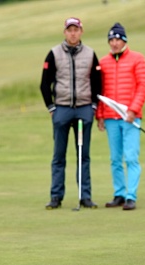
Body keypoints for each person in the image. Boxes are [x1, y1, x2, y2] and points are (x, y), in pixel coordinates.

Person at [40, 17, 102, 210]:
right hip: (62, 110)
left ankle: (85, 196)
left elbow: (97, 83)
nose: (73, 33)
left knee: (83, 155)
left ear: (81, 31)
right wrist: (51, 107)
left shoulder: (91, 54)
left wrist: (93, 106)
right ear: (64, 32)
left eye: (76, 30)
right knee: (59, 155)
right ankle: (56, 196)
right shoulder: (53, 54)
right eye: (69, 30)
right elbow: (44, 84)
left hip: (84, 110)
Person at [96, 23, 145, 210]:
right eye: (111, 39)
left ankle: (131, 195)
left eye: (117, 39)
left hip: (130, 117)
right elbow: (100, 91)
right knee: (115, 158)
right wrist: (100, 115)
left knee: (131, 157)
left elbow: (143, 86)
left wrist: (133, 110)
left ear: (124, 40)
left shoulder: (137, 59)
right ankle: (119, 194)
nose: (114, 43)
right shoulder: (103, 62)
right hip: (111, 117)